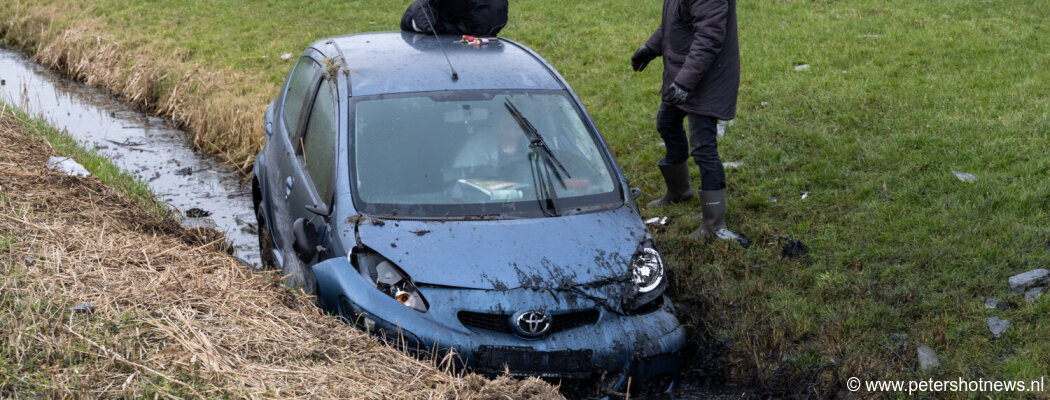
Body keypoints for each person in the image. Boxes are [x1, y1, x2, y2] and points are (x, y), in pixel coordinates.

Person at [631, 0, 750, 248]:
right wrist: (651, 47)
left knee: (703, 147)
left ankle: (714, 224)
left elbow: (708, 39)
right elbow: (676, 21)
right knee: (667, 122)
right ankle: (679, 190)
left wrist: (685, 84)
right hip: (686, 73)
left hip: (707, 79)